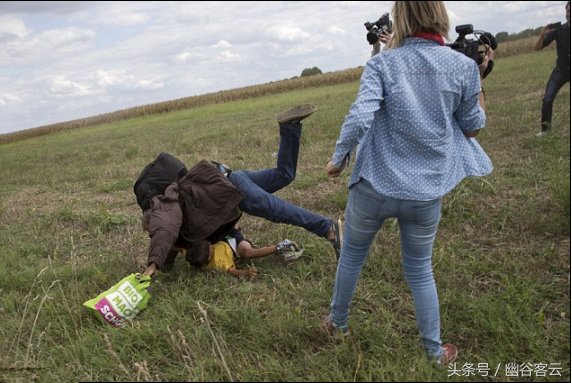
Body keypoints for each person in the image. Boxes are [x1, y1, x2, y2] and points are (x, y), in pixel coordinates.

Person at [324, 1, 494, 366]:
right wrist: (479, 80)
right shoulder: (463, 67)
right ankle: (434, 351)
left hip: (373, 186)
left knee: (352, 257)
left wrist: (337, 160)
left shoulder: (382, 63)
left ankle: (337, 324)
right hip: (425, 193)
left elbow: (358, 118)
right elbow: (473, 126)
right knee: (419, 268)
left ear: (400, 19)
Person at [140, 104, 342, 276]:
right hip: (231, 179)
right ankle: (289, 127)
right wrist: (164, 266)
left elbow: (164, 229)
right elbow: (169, 241)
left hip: (233, 191)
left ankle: (327, 228)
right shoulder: (178, 222)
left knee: (274, 208)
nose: (150, 233)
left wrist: (151, 265)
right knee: (284, 175)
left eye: (150, 230)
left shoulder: (164, 209)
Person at [184, 228, 304, 280]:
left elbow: (178, 247)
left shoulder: (191, 251)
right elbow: (232, 271)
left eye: (209, 245)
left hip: (224, 234)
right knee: (247, 253)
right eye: (211, 249)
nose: (212, 246)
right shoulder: (218, 263)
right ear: (209, 258)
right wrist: (245, 273)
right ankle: (281, 246)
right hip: (235, 244)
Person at [534, 1, 571, 137]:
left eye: (570, 11)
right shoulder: (559, 30)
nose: (568, 14)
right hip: (560, 70)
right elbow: (537, 48)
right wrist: (542, 35)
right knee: (547, 99)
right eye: (567, 11)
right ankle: (545, 130)